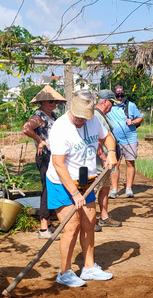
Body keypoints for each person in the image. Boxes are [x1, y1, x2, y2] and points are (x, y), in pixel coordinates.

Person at [46, 89, 118, 287]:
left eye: (85, 118)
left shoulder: (93, 120)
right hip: (62, 182)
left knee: (89, 223)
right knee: (72, 226)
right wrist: (75, 194)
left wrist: (110, 152)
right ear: (72, 109)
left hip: (86, 180)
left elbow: (107, 137)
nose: (82, 121)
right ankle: (65, 272)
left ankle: (89, 267)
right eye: (79, 117)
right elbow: (59, 165)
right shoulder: (60, 129)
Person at [22, 85, 66, 239]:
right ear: (42, 102)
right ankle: (43, 228)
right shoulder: (39, 115)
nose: (53, 104)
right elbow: (26, 128)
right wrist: (39, 140)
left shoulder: (52, 116)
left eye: (54, 101)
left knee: (52, 188)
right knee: (47, 189)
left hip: (53, 156)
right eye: (50, 101)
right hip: (45, 156)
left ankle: (48, 223)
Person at [93, 90, 123, 232]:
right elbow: (97, 140)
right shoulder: (95, 116)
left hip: (106, 160)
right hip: (99, 161)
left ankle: (104, 217)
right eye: (111, 102)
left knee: (105, 188)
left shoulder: (102, 116)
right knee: (93, 189)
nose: (112, 106)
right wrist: (103, 157)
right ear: (104, 101)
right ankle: (89, 219)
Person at [106, 85, 143, 198]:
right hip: (114, 140)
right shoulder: (109, 106)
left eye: (122, 95)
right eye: (118, 95)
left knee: (129, 163)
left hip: (130, 139)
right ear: (114, 95)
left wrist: (132, 122)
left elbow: (140, 118)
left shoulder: (130, 105)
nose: (120, 98)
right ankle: (114, 189)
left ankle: (129, 188)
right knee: (115, 164)